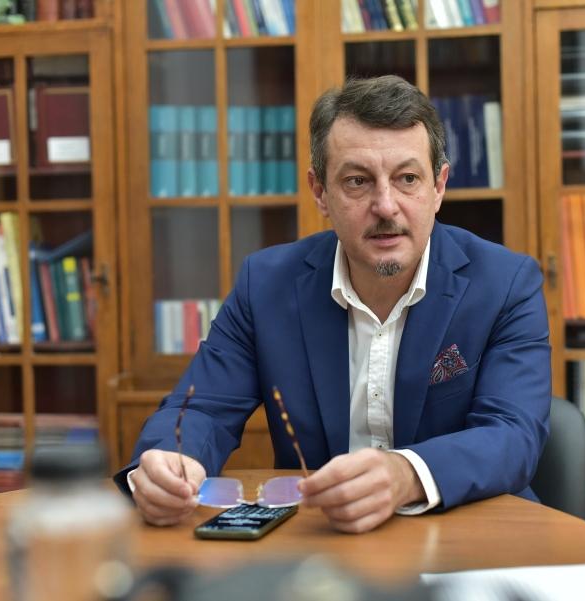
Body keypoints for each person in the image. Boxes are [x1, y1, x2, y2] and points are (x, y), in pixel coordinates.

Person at [113, 75, 551, 533]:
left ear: (438, 186)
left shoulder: (505, 284)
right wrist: (170, 462)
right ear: (320, 191)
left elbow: (512, 434)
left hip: (471, 533)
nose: (386, 206)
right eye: (358, 181)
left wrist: (405, 474)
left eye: (407, 179)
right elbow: (201, 408)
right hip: (320, 539)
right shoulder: (266, 285)